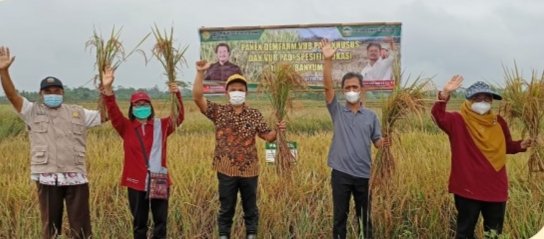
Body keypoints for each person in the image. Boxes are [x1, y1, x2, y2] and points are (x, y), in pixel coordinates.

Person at [0, 46, 106, 239]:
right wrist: (3, 71)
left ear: (63, 92)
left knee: (81, 229)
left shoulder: (78, 112)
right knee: (51, 230)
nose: (53, 93)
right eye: (48, 91)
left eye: (56, 90)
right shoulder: (32, 112)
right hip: (47, 177)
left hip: (76, 176)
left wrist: (106, 90)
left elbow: (106, 116)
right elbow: (12, 96)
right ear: (41, 94)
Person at [431, 76, 533, 238]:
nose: (483, 102)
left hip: (495, 187)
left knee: (493, 233)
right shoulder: (458, 120)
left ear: (492, 101)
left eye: (487, 98)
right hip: (467, 187)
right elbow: (439, 116)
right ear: (469, 100)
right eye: (478, 98)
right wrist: (444, 94)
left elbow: (506, 146)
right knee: (465, 232)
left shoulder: (498, 122)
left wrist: (521, 145)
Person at [193, 61, 285, 239]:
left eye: (241, 90)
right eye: (233, 89)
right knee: (226, 207)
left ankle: (251, 234)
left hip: (249, 170)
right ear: (227, 92)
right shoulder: (218, 112)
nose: (237, 92)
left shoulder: (254, 114)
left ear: (246, 93)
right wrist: (200, 74)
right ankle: (224, 235)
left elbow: (268, 136)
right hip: (226, 168)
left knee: (250, 207)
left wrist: (279, 130)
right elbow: (198, 98)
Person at [101, 67, 184, 239]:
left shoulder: (162, 125)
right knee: (139, 222)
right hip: (136, 181)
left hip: (159, 179)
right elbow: (113, 111)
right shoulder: (125, 127)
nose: (141, 106)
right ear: (132, 108)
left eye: (145, 104)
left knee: (160, 221)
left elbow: (179, 116)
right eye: (137, 104)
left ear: (150, 106)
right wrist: (108, 89)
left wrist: (176, 94)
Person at [321, 39, 387, 239]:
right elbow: (327, 89)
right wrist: (328, 60)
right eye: (348, 87)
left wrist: (384, 144)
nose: (351, 91)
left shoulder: (371, 116)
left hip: (364, 175)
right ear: (343, 91)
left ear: (361, 90)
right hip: (340, 174)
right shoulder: (337, 112)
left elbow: (377, 142)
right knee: (339, 219)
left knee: (364, 219)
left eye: (355, 87)